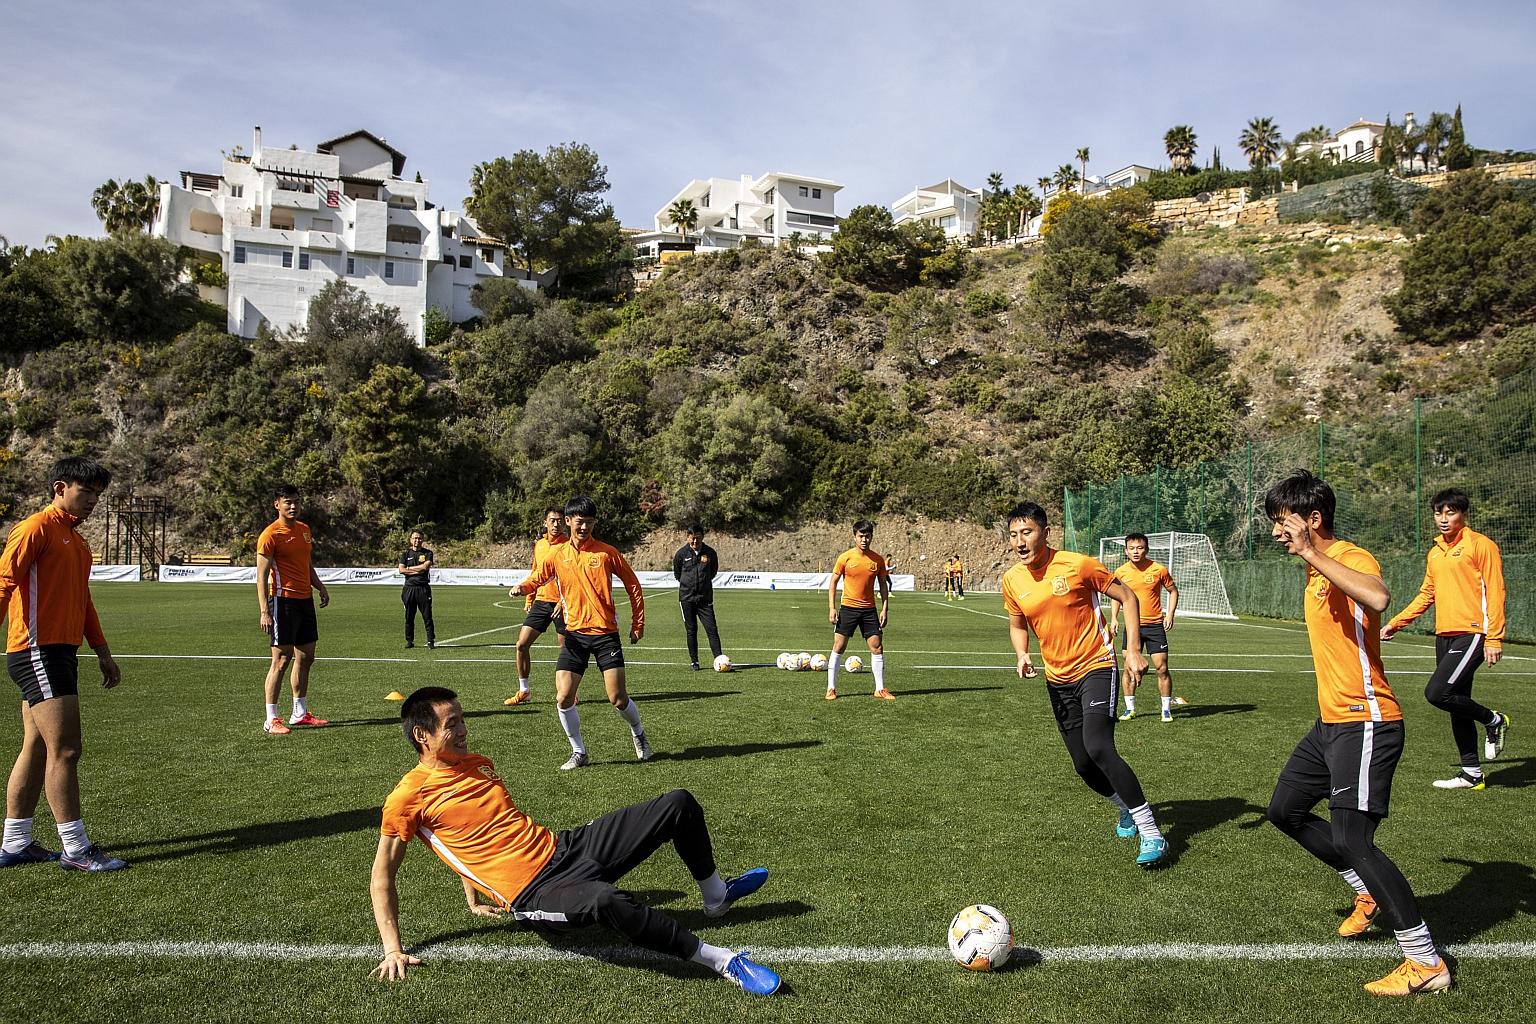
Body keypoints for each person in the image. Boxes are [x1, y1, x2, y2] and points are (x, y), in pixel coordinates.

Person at [369, 687, 780, 994]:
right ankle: (722, 961)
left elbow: (473, 833)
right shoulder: (407, 797)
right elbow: (382, 877)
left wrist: (473, 895)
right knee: (606, 900)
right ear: (422, 735)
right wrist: (392, 949)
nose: (463, 730)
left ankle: (715, 897)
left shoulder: (477, 763)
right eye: (452, 724)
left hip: (565, 848)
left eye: (462, 719)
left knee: (678, 803)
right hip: (534, 892)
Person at [1264, 470, 1449, 996]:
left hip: (1366, 720)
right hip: (1330, 723)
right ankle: (1366, 890)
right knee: (1284, 811)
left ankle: (1425, 962)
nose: (1276, 533)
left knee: (1352, 838)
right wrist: (1309, 557)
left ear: (1312, 519)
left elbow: (1378, 597)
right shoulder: (1314, 569)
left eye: (1283, 522)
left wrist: (1312, 552)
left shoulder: (1349, 556)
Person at [1000, 501, 1168, 868]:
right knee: (1083, 764)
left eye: (1027, 532)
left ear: (1046, 532)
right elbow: (1017, 623)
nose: (1020, 542)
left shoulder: (1078, 565)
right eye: (1013, 535)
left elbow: (1128, 597)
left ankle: (1151, 831)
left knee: (1099, 747)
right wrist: (1022, 653)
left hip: (1096, 666)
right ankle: (1125, 806)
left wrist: (1132, 650)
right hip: (1057, 679)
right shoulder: (1012, 580)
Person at [0, 456, 126, 872]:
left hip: (60, 652)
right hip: (37, 651)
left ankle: (15, 843)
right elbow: (4, 582)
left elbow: (83, 600)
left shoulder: (78, 542)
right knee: (67, 749)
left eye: (97, 494)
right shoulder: (35, 528)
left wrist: (102, 650)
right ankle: (76, 849)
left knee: (37, 746)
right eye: (85, 491)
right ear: (60, 488)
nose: (92, 501)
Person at [511, 497, 649, 769]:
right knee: (563, 697)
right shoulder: (557, 555)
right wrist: (524, 588)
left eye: (589, 522)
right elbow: (538, 577)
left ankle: (639, 733)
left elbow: (633, 584)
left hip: (605, 635)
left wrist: (638, 625)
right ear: (568, 521)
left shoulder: (606, 553)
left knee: (617, 698)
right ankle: (579, 752)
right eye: (579, 522)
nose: (584, 527)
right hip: (574, 635)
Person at [1383, 488, 1508, 790]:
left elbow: (1495, 591)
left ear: (1463, 514)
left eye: (1450, 512)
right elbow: (1427, 594)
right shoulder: (1435, 552)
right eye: (1438, 513)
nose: (1443, 518)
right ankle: (1471, 773)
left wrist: (1494, 638)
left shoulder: (1481, 545)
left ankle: (1494, 720)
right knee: (1455, 702)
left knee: (1438, 693)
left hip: (1473, 632)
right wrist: (1396, 623)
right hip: (1445, 635)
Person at [255, 484, 330, 736]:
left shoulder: (304, 530)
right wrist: (264, 611)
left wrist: (320, 586)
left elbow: (306, 564)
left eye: (296, 501)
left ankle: (299, 713)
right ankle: (271, 718)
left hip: (304, 600)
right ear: (277, 504)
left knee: (306, 657)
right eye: (288, 502)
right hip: (282, 602)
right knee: (281, 660)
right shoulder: (270, 535)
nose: (293, 506)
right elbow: (261, 576)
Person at [1109, 533, 1182, 722]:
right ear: (1126, 551)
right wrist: (1114, 618)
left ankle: (1166, 709)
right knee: (1128, 668)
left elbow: (1173, 591)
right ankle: (1130, 708)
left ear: (1147, 549)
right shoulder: (1121, 572)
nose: (1136, 551)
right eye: (1132, 548)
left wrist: (1170, 614)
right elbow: (1116, 596)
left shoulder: (1159, 569)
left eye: (1140, 548)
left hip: (1155, 626)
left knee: (1162, 668)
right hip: (1131, 627)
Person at [824, 520, 893, 701]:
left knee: (877, 647)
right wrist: (832, 607)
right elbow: (833, 582)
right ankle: (831, 688)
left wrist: (885, 609)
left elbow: (883, 586)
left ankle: (880, 689)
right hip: (848, 609)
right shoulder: (845, 558)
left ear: (871, 537)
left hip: (869, 610)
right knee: (839, 646)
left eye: (867, 536)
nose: (864, 539)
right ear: (854, 537)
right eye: (861, 536)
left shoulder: (877, 560)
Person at [506, 507, 567, 706]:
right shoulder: (540, 545)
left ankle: (568, 692)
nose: (556, 524)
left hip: (563, 603)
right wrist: (529, 598)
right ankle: (524, 690)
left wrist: (563, 601)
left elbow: (574, 578)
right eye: (552, 520)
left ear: (565, 522)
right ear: (545, 522)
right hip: (541, 601)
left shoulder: (569, 545)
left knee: (565, 649)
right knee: (521, 644)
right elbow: (535, 573)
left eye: (559, 520)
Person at [673, 524, 723, 671]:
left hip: (704, 599)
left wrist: (703, 583)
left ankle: (719, 660)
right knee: (691, 630)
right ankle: (694, 661)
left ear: (703, 537)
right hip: (686, 598)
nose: (695, 541)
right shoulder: (681, 554)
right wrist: (688, 585)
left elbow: (713, 571)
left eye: (698, 538)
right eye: (692, 538)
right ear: (687, 537)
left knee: (711, 629)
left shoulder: (710, 553)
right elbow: (677, 574)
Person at [397, 530, 435, 650]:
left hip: (423, 588)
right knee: (409, 617)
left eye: (419, 538)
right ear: (410, 539)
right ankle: (409, 641)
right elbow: (401, 570)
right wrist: (416, 570)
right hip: (409, 589)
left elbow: (425, 567)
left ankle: (430, 640)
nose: (417, 540)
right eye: (415, 538)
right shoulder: (405, 554)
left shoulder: (428, 553)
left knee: (427, 616)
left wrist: (409, 569)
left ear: (422, 540)